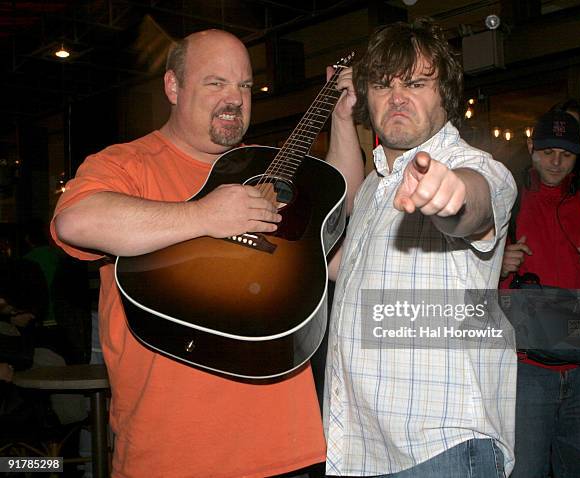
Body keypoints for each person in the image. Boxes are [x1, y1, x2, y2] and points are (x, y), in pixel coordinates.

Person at [52, 29, 360, 477]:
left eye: (245, 86)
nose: (234, 98)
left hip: (289, 447)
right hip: (171, 456)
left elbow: (338, 204)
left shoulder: (261, 166)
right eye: (216, 83)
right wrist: (203, 216)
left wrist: (344, 120)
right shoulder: (125, 164)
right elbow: (75, 221)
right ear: (173, 87)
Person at [323, 19, 517, 477]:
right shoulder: (375, 186)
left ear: (444, 96)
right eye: (382, 85)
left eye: (416, 83)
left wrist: (450, 195)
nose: (397, 98)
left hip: (441, 446)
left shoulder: (475, 165)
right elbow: (342, 257)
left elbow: (474, 202)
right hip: (362, 447)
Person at [499, 109, 580, 477]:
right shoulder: (503, 204)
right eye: (548, 152)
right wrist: (498, 268)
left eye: (565, 153)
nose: (556, 162)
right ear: (531, 147)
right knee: (523, 471)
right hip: (525, 371)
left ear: (578, 152)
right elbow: (461, 284)